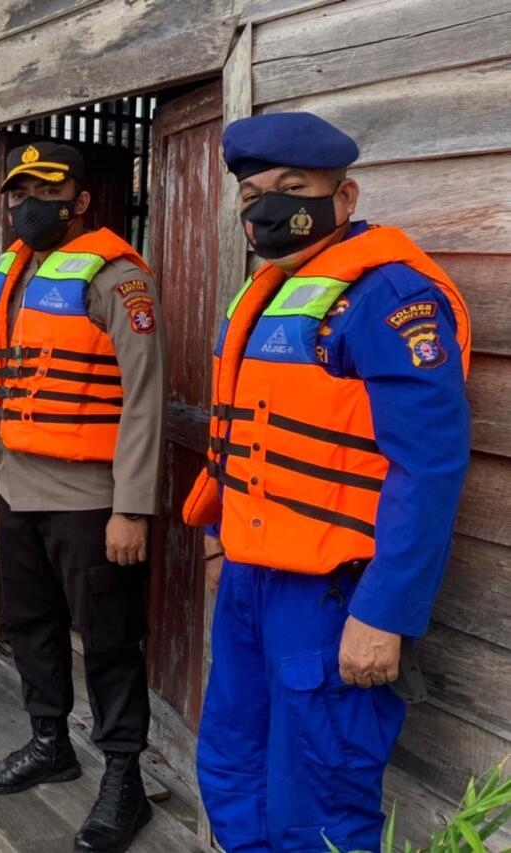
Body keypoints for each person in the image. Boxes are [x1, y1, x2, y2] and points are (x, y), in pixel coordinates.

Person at [185, 113, 471, 852]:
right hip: (251, 583)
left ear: (344, 197)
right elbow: (247, 433)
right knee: (232, 769)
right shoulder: (271, 293)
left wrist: (387, 612)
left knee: (318, 800)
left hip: (335, 596)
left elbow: (428, 465)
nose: (268, 206)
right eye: (253, 195)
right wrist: (221, 541)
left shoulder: (390, 298)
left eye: (293, 187)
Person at [0, 142, 167, 853]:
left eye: (44, 191)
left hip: (92, 498)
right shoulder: (9, 277)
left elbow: (145, 403)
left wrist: (131, 507)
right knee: (30, 624)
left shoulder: (118, 278)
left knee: (110, 641)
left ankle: (124, 777)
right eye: (17, 192)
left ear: (80, 198)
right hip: (16, 486)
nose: (26, 205)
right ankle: (49, 741)